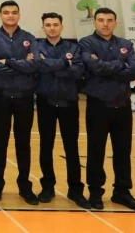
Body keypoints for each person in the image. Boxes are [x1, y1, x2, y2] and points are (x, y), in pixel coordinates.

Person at [79, 8, 135, 212]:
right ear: (95, 22)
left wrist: (107, 67)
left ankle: (122, 192)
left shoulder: (125, 44)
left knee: (123, 151)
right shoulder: (86, 43)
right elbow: (95, 67)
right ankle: (95, 191)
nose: (105, 24)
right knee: (96, 150)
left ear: (115, 23)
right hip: (98, 105)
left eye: (109, 20)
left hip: (123, 105)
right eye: (101, 20)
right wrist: (121, 65)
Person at [0, 0, 39, 205]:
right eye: (6, 12)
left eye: (14, 12)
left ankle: (25, 186)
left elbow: (34, 64)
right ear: (0, 15)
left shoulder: (29, 37)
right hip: (1, 96)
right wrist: (22, 63)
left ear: (19, 15)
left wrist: (6, 61)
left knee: (23, 143)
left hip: (24, 97)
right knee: (0, 142)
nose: (10, 16)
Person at [35, 12, 90, 209]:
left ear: (62, 26)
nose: (52, 28)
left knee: (71, 147)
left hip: (69, 103)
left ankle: (75, 189)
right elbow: (39, 66)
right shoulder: (37, 47)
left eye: (55, 24)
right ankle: (47, 187)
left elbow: (77, 71)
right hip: (46, 102)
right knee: (46, 146)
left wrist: (50, 64)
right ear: (43, 27)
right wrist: (65, 64)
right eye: (48, 25)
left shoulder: (73, 48)